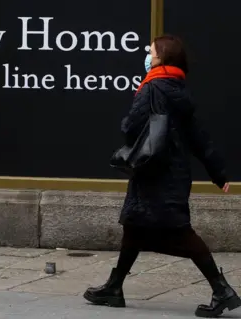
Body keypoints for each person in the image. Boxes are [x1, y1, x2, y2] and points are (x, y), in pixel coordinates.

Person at [83, 35, 241, 318]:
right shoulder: (178, 89)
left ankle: (222, 290)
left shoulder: (152, 87)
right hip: (172, 173)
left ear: (161, 59)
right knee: (133, 226)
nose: (147, 55)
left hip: (155, 173)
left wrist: (125, 122)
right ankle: (114, 287)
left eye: (151, 52)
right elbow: (199, 137)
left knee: (180, 231)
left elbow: (131, 127)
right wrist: (218, 172)